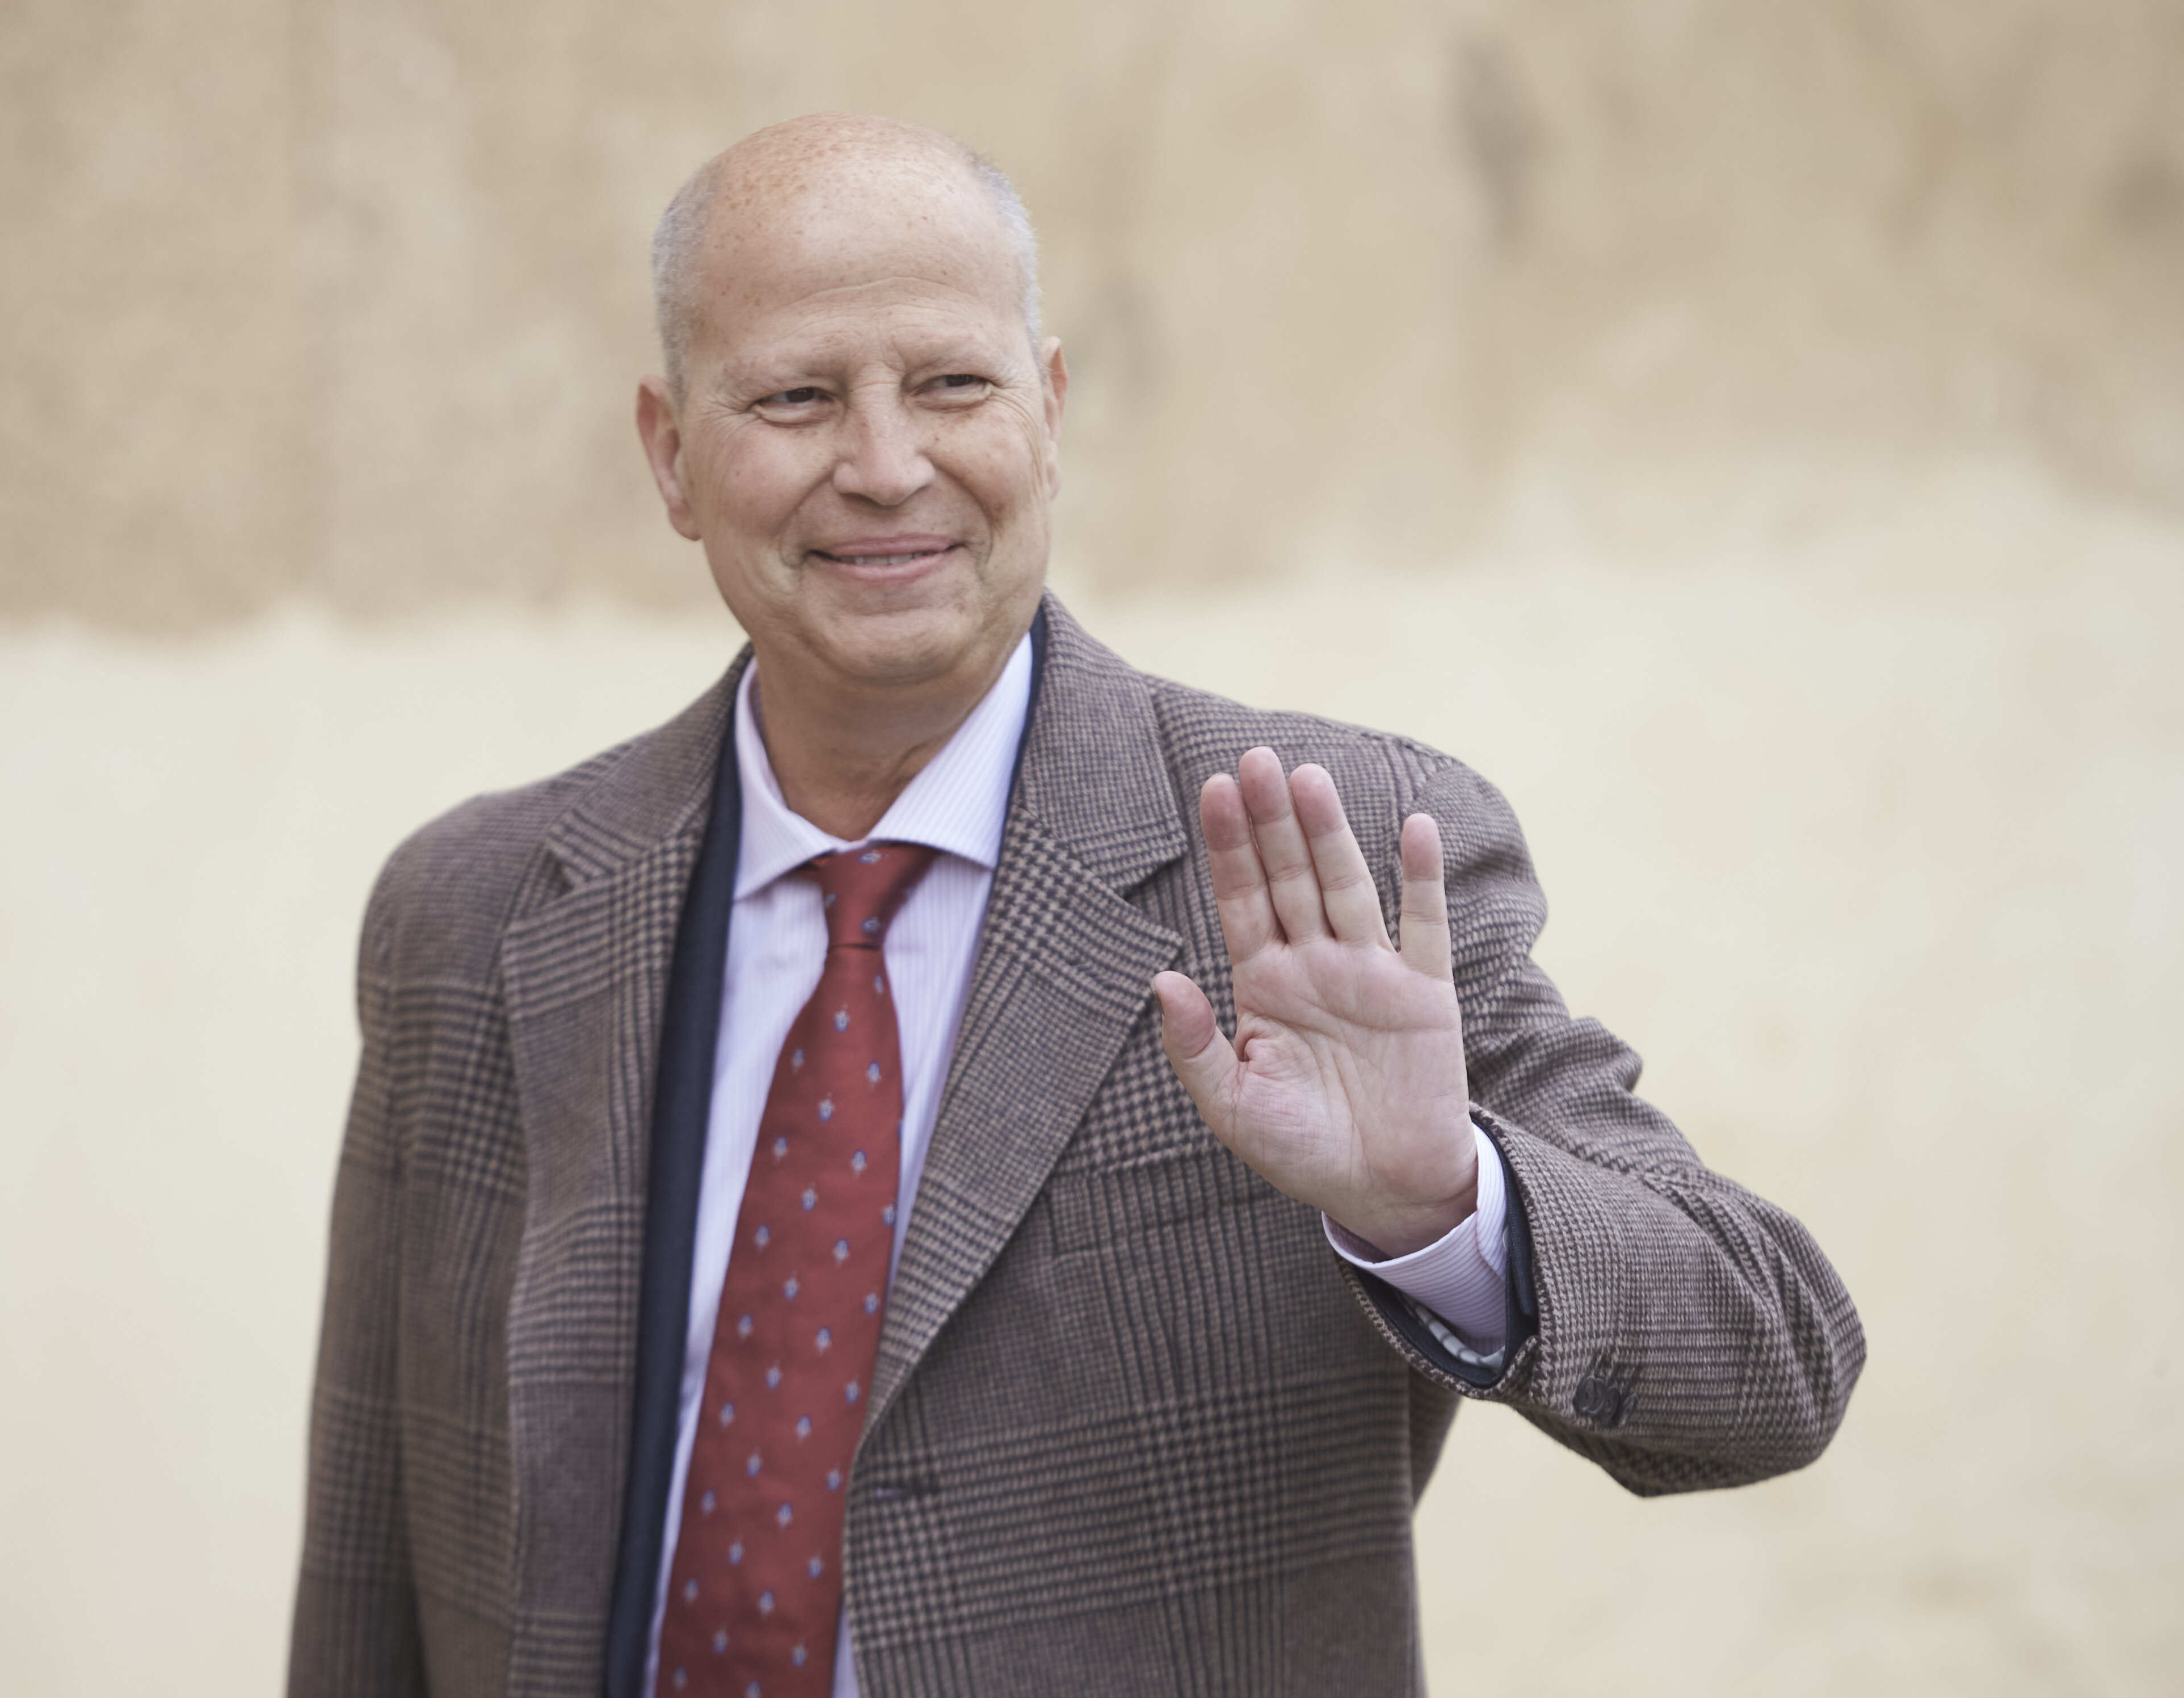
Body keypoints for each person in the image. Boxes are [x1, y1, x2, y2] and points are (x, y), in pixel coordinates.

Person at [285, 113, 1864, 1698]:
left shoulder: (1328, 858)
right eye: (795, 397)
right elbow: (372, 1547)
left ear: (1049, 409)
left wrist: (1443, 1204)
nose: (888, 464)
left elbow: (1774, 1360)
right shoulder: (473, 916)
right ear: (671, 453)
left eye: (954, 385)